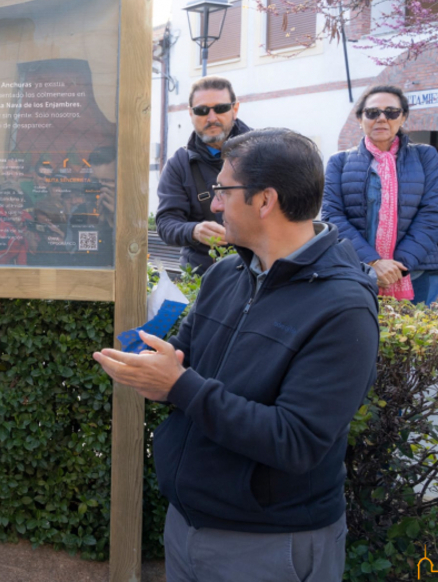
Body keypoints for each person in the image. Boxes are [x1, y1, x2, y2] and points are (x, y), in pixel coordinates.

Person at [95, 129, 378, 582]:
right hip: (187, 524)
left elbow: (297, 440)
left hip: (269, 543)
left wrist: (177, 385)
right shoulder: (225, 273)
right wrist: (151, 370)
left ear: (265, 200)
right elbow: (184, 371)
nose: (213, 205)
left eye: (223, 191)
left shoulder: (343, 308)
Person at [323, 84, 438, 305]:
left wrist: (397, 266)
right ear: (360, 119)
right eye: (372, 112)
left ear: (403, 117)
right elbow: (332, 216)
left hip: (416, 272)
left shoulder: (426, 156)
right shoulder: (340, 162)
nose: (382, 118)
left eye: (391, 112)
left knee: (413, 338)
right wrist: (373, 262)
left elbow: (432, 212)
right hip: (358, 271)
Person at [156, 76, 252, 275]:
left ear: (235, 109)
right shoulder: (178, 164)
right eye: (201, 110)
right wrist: (194, 231)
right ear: (190, 113)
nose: (211, 118)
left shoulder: (264, 152)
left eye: (220, 108)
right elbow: (166, 222)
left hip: (257, 268)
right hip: (203, 276)